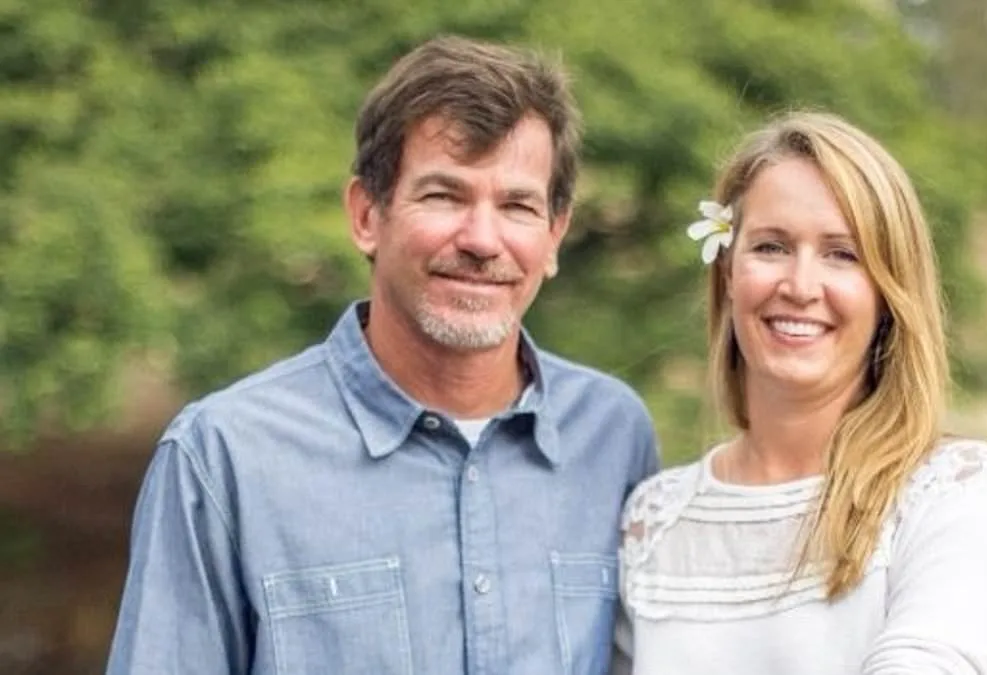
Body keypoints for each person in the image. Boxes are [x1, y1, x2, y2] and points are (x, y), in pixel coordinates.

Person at [106, 35, 659, 675]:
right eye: (444, 196)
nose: (483, 240)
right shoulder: (224, 455)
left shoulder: (613, 436)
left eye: (517, 205)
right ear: (367, 215)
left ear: (555, 234)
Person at [615, 111, 987, 674]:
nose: (800, 286)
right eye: (771, 247)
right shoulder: (653, 521)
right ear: (728, 272)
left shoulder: (957, 495)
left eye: (842, 254)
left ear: (889, 292)